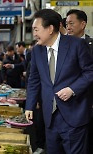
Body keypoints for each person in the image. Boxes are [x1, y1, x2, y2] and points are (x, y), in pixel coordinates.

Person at [25, 9, 93, 154]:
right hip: (50, 117)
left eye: (36, 29)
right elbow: (34, 80)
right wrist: (29, 106)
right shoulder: (37, 51)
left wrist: (72, 89)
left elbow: (90, 71)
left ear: (50, 29)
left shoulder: (76, 45)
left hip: (75, 115)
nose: (34, 34)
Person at [66, 9, 93, 154]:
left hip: (87, 103)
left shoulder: (91, 45)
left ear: (83, 24)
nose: (68, 27)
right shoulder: (62, 46)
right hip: (66, 103)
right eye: (66, 24)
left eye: (71, 23)